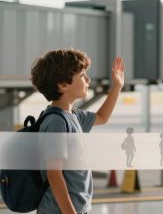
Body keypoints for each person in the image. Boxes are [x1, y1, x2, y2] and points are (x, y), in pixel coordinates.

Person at [31, 49, 125, 214]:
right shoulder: (56, 122)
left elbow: (102, 117)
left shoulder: (73, 115)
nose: (88, 79)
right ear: (63, 85)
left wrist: (117, 86)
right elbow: (54, 175)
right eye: (82, 75)